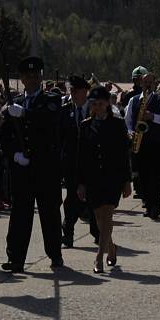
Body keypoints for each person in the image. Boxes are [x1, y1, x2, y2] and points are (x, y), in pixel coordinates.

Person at [0, 56, 64, 273]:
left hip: (46, 168)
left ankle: (55, 254)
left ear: (41, 77)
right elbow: (4, 138)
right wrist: (14, 154)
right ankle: (16, 258)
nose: (32, 79)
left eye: (36, 75)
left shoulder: (52, 99)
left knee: (50, 213)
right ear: (22, 79)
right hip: (22, 168)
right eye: (28, 76)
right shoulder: (14, 103)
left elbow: (50, 120)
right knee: (20, 215)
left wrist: (25, 114)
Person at [76, 86, 132, 273]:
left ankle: (99, 257)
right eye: (94, 104)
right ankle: (111, 247)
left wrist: (126, 181)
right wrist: (81, 182)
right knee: (99, 218)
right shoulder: (85, 125)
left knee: (107, 215)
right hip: (93, 178)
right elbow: (81, 156)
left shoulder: (117, 124)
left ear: (108, 103)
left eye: (101, 104)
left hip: (112, 177)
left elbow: (124, 154)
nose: (97, 107)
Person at [125, 72, 160, 219]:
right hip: (140, 143)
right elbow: (126, 121)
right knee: (143, 176)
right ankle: (147, 202)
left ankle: (156, 206)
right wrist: (129, 133)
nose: (147, 85)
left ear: (155, 84)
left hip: (157, 144)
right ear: (141, 84)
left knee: (157, 177)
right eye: (145, 82)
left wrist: (153, 116)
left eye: (150, 82)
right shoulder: (133, 101)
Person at [60, 75, 99, 248]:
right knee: (72, 200)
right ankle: (67, 233)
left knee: (93, 200)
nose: (73, 94)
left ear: (85, 91)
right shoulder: (65, 110)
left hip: (91, 164)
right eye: (71, 91)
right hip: (71, 164)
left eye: (76, 91)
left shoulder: (95, 110)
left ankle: (97, 233)